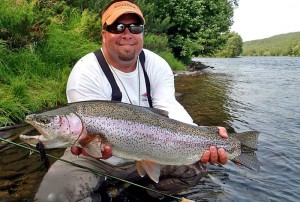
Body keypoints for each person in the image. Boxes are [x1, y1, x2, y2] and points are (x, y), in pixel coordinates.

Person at [34, 1, 228, 201]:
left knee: (195, 170)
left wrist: (203, 134)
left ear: (142, 33)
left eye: (135, 27)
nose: (127, 33)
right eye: (118, 27)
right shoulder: (85, 72)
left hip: (151, 151)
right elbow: (83, 142)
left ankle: (132, 195)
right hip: (94, 160)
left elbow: (168, 106)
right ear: (104, 34)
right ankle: (106, 197)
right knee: (50, 196)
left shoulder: (157, 65)